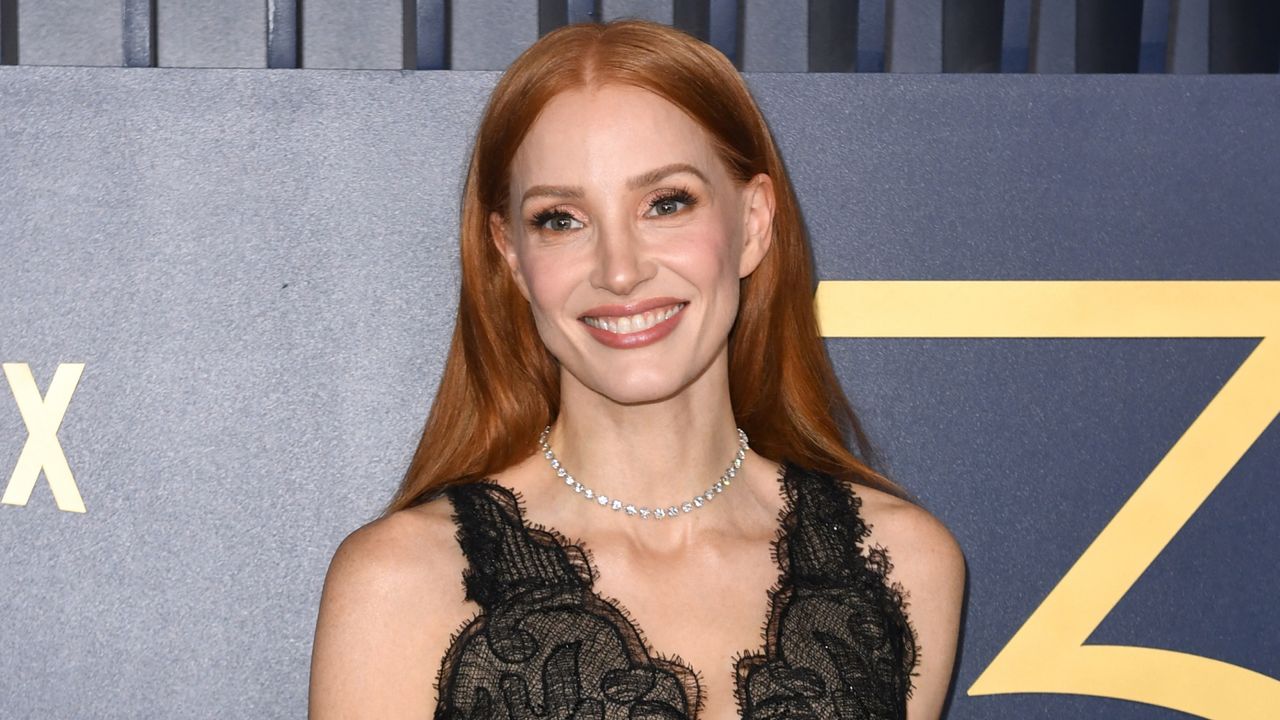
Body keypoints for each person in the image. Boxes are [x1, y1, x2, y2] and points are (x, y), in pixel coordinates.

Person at [310, 18, 964, 720]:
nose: (619, 271)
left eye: (666, 204)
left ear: (752, 224)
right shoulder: (401, 583)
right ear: (511, 256)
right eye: (561, 219)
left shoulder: (902, 564)